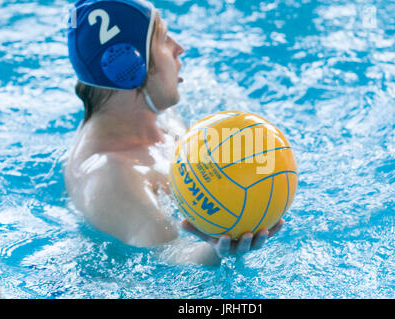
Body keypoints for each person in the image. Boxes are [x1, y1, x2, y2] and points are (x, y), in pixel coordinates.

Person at [65, 0, 283, 265]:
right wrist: (218, 249)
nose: (179, 48)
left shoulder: (152, 112)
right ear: (128, 67)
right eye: (163, 39)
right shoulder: (112, 175)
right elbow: (171, 260)